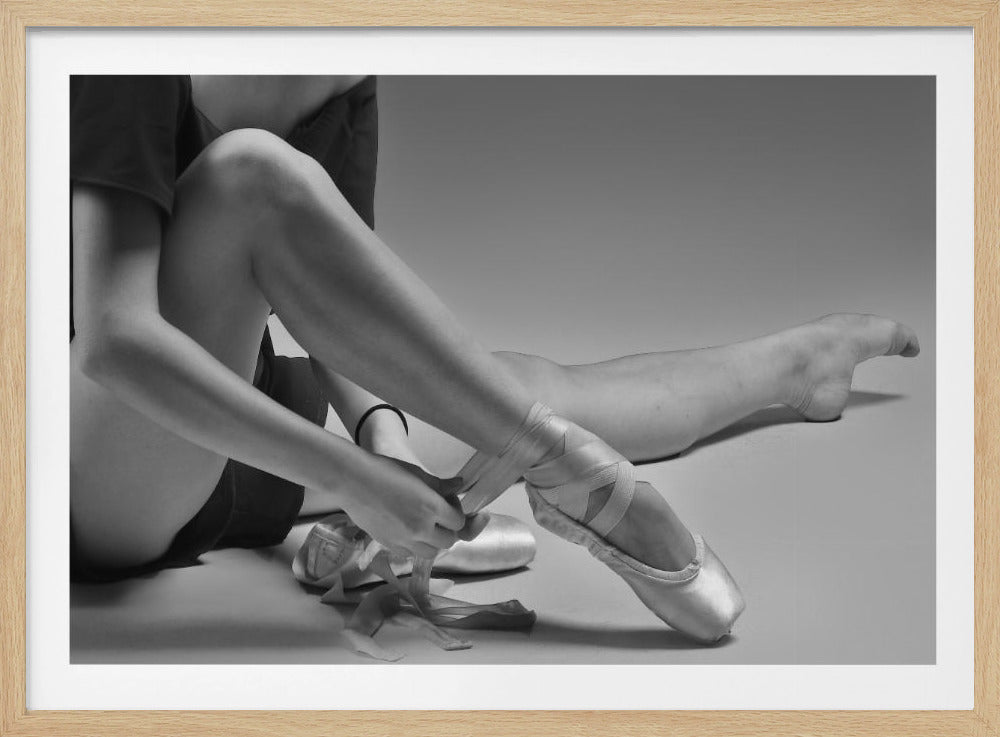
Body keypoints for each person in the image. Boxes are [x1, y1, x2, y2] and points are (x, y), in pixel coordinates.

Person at [70, 75, 920, 644]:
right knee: (247, 176)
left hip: (228, 429)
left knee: (520, 386)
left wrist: (387, 446)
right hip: (99, 462)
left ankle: (794, 366)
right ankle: (566, 470)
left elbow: (335, 307)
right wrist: (356, 479)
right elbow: (116, 339)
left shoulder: (345, 68)